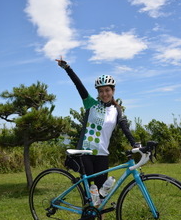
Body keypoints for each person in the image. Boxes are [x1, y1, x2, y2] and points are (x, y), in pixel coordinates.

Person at [56, 58, 139, 192]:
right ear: (98, 93)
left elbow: (125, 127)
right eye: (101, 91)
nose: (104, 94)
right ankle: (87, 212)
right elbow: (79, 85)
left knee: (101, 193)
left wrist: (134, 143)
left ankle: (100, 214)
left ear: (113, 91)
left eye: (107, 90)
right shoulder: (91, 104)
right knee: (91, 191)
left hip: (102, 155)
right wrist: (67, 68)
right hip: (86, 152)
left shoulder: (116, 110)